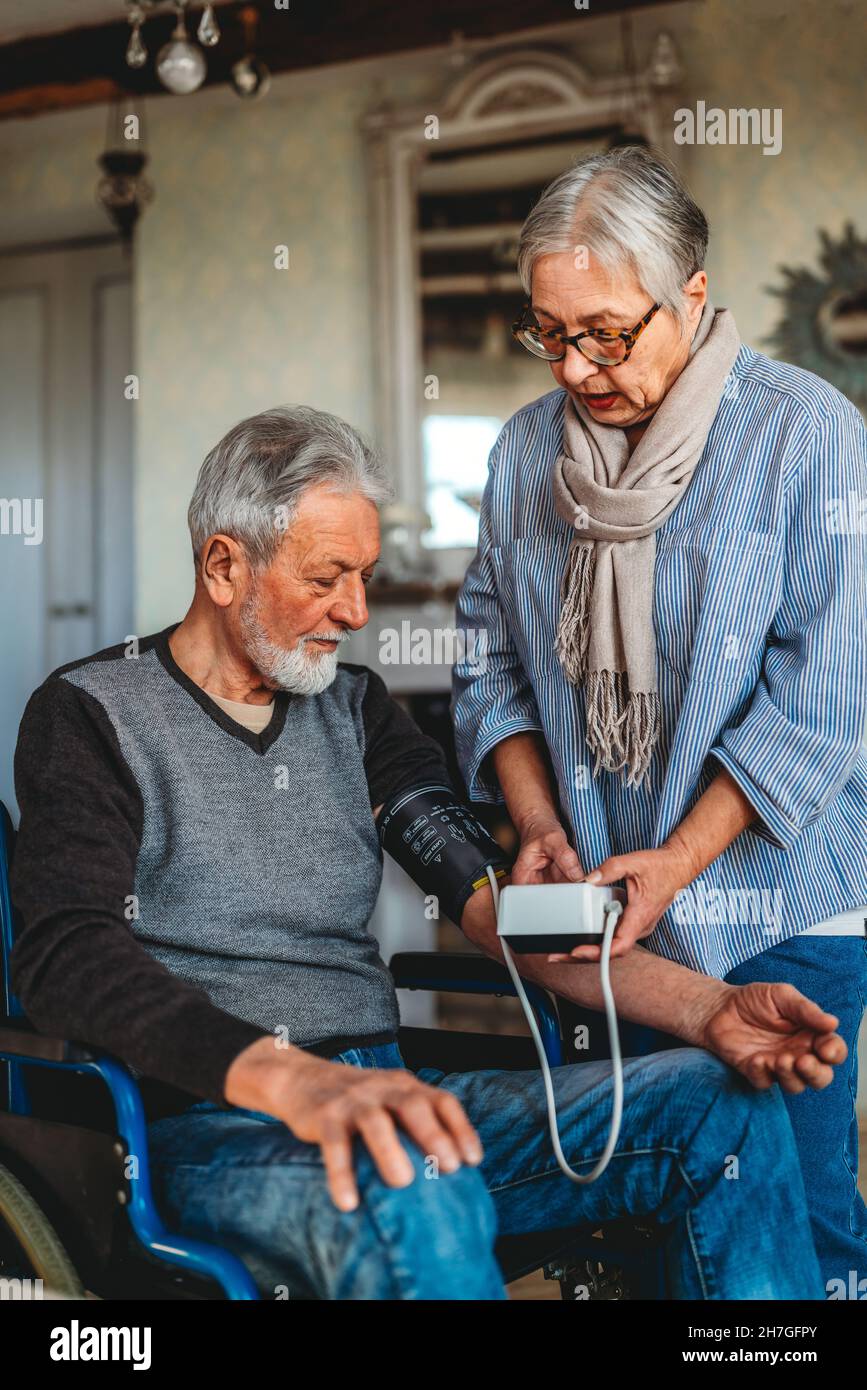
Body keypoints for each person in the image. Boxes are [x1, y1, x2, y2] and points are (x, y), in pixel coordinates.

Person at [10, 406, 847, 1300]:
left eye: (365, 577)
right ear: (224, 565)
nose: (357, 612)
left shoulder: (355, 708)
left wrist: (707, 1009)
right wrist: (294, 1082)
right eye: (328, 577)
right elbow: (67, 954)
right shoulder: (92, 712)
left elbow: (492, 911)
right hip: (212, 1124)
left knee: (717, 1102)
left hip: (392, 1094)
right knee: (412, 1173)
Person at [451, 144, 867, 1297]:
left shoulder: (808, 433)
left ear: (691, 293)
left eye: (608, 332)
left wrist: (681, 860)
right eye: (552, 332)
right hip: (600, 917)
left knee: (799, 1219)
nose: (578, 364)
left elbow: (823, 696)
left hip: (781, 894)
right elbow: (488, 659)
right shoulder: (526, 452)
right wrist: (536, 823)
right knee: (641, 1209)